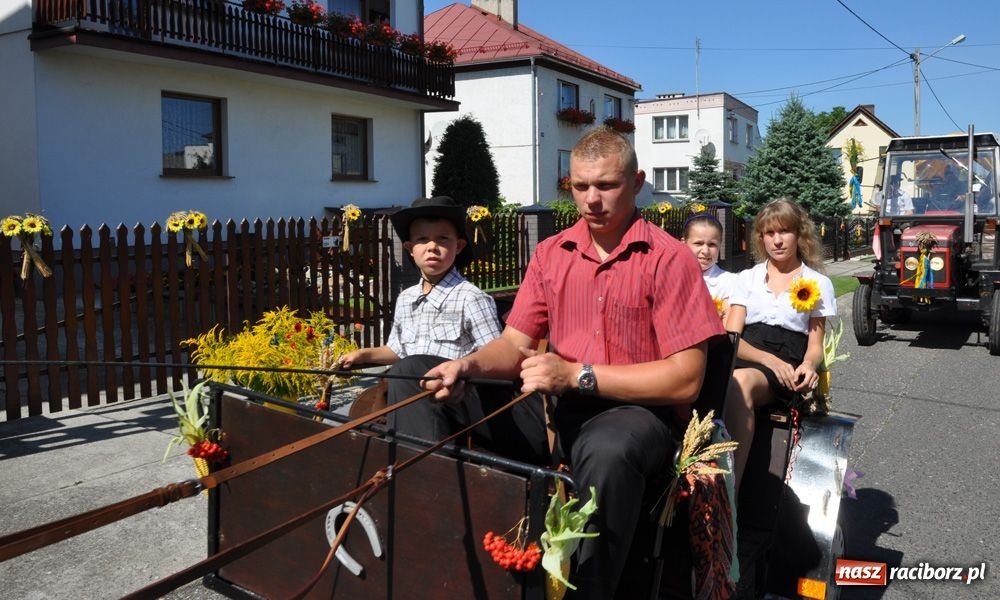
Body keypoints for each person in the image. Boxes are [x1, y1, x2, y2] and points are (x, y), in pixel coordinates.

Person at [423, 126, 725, 598]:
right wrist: (467, 366)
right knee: (419, 378)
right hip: (556, 411)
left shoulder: (670, 259)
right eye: (580, 186)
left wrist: (575, 375)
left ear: (638, 182)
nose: (591, 199)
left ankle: (590, 589)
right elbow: (514, 343)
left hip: (636, 416)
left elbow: (685, 380)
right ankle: (433, 546)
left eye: (606, 185)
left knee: (607, 450)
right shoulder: (551, 253)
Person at [338, 196, 549, 465]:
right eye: (422, 240)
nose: (432, 247)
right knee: (389, 389)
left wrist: (461, 376)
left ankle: (425, 471)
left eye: (442, 239)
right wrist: (364, 355)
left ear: (459, 246)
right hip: (413, 396)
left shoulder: (471, 298)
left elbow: (496, 358)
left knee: (411, 372)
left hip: (459, 397)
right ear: (409, 248)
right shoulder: (406, 299)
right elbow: (398, 350)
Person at [723, 199, 837, 490]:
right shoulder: (747, 278)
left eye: (784, 231)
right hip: (748, 354)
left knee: (740, 382)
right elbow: (731, 337)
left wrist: (809, 365)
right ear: (761, 237)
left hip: (787, 365)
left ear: (799, 234)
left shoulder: (818, 283)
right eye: (769, 233)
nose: (777, 241)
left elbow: (815, 343)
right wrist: (767, 359)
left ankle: (729, 492)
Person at [682, 212, 737, 321]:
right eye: (698, 243)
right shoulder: (670, 278)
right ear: (683, 243)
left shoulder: (729, 283)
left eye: (712, 245)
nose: (705, 251)